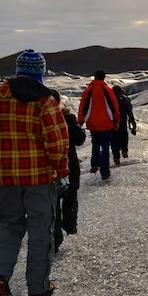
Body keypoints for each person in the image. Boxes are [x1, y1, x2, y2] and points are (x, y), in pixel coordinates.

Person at [0, 49, 68, 296]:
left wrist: (0, 165)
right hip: (39, 179)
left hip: (5, 180)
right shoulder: (44, 101)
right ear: (40, 71)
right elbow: (57, 142)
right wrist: (61, 171)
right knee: (41, 231)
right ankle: (38, 289)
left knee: (8, 226)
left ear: (18, 69)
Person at [54, 93, 85, 253]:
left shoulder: (37, 119)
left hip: (48, 168)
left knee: (53, 203)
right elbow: (80, 140)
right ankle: (70, 225)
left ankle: (56, 237)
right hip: (69, 164)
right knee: (71, 194)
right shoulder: (68, 119)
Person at [77, 70, 120, 180]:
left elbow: (83, 105)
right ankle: (105, 172)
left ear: (95, 77)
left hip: (93, 123)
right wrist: (116, 121)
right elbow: (114, 106)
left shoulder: (89, 90)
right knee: (105, 147)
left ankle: (95, 164)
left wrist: (80, 121)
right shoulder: (107, 89)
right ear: (104, 78)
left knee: (95, 143)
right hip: (107, 123)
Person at [111, 85, 136, 165]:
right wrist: (132, 120)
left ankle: (116, 157)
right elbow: (129, 110)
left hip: (113, 121)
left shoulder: (110, 99)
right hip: (123, 120)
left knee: (114, 139)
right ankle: (124, 150)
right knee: (124, 135)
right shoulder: (124, 98)